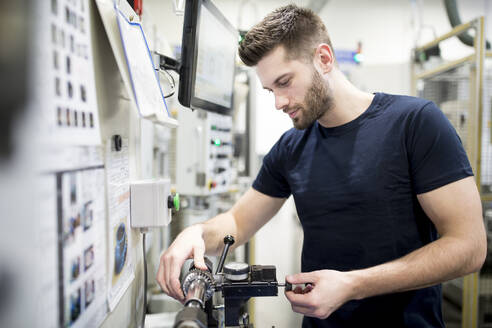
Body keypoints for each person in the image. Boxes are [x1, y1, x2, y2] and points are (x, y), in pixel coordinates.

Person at [157, 4, 486, 327]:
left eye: (285, 82)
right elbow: (238, 222)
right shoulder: (291, 147)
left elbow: (468, 246)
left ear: (324, 59)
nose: (278, 102)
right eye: (270, 89)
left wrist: (353, 285)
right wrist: (196, 232)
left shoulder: (415, 123)